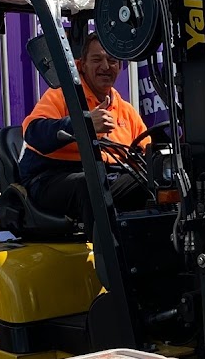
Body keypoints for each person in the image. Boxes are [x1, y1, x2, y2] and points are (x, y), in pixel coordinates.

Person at [19, 32, 150, 231]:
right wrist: (83, 124)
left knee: (154, 181)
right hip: (50, 178)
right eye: (97, 59)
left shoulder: (126, 111)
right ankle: (103, 257)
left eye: (112, 61)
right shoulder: (62, 95)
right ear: (82, 65)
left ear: (120, 67)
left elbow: (146, 149)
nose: (105, 67)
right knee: (91, 185)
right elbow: (34, 132)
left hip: (104, 177)